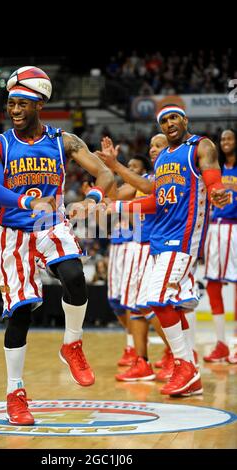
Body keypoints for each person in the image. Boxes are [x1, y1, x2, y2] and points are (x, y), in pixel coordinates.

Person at [0, 66, 114, 425]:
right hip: (12, 230)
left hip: (49, 223)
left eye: (22, 103)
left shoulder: (63, 141)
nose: (14, 110)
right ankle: (15, 393)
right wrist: (26, 203)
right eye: (11, 103)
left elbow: (104, 172)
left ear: (39, 104)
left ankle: (72, 343)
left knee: (74, 275)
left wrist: (96, 195)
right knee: (21, 312)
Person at [107, 104, 230, 396]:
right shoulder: (163, 157)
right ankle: (189, 371)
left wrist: (218, 192)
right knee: (170, 304)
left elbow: (212, 181)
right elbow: (156, 202)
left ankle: (185, 365)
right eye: (163, 120)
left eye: (174, 117)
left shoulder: (201, 146)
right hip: (160, 240)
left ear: (185, 120)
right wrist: (116, 207)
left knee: (156, 298)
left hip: (184, 237)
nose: (169, 123)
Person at [97, 138, 171, 382]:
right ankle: (143, 362)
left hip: (156, 246)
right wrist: (108, 167)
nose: (153, 148)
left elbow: (144, 195)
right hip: (141, 247)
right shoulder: (146, 180)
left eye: (158, 145)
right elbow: (116, 195)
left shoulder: (157, 178)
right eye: (151, 145)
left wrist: (115, 166)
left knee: (151, 306)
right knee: (135, 306)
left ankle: (178, 353)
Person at [204, 129, 237, 363]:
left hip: (234, 228)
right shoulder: (213, 170)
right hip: (213, 229)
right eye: (222, 138)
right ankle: (222, 343)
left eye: (230, 138)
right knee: (213, 285)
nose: (225, 141)